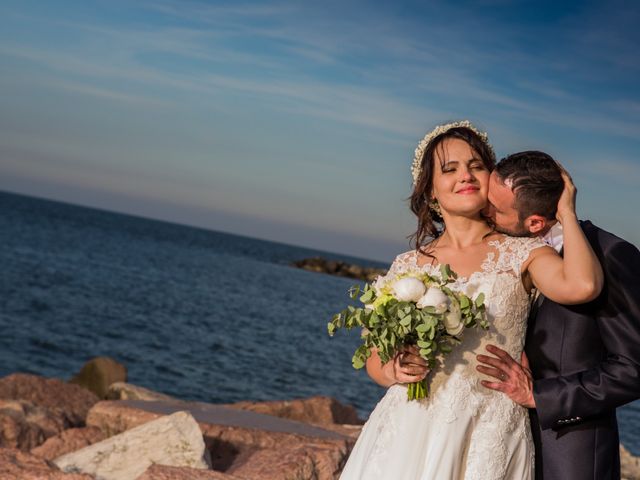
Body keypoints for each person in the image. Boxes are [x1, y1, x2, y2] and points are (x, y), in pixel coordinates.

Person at [339, 121, 603, 480]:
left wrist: (566, 211)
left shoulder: (522, 252)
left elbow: (583, 285)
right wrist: (395, 370)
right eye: (450, 169)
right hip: (410, 425)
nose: (466, 175)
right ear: (430, 192)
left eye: (476, 165)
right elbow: (374, 359)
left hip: (488, 428)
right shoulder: (408, 265)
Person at [477, 151, 640, 479]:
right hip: (502, 442)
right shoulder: (505, 252)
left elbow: (634, 369)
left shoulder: (611, 255)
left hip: (569, 455)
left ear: (534, 222)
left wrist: (540, 396)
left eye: (495, 208)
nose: (485, 212)